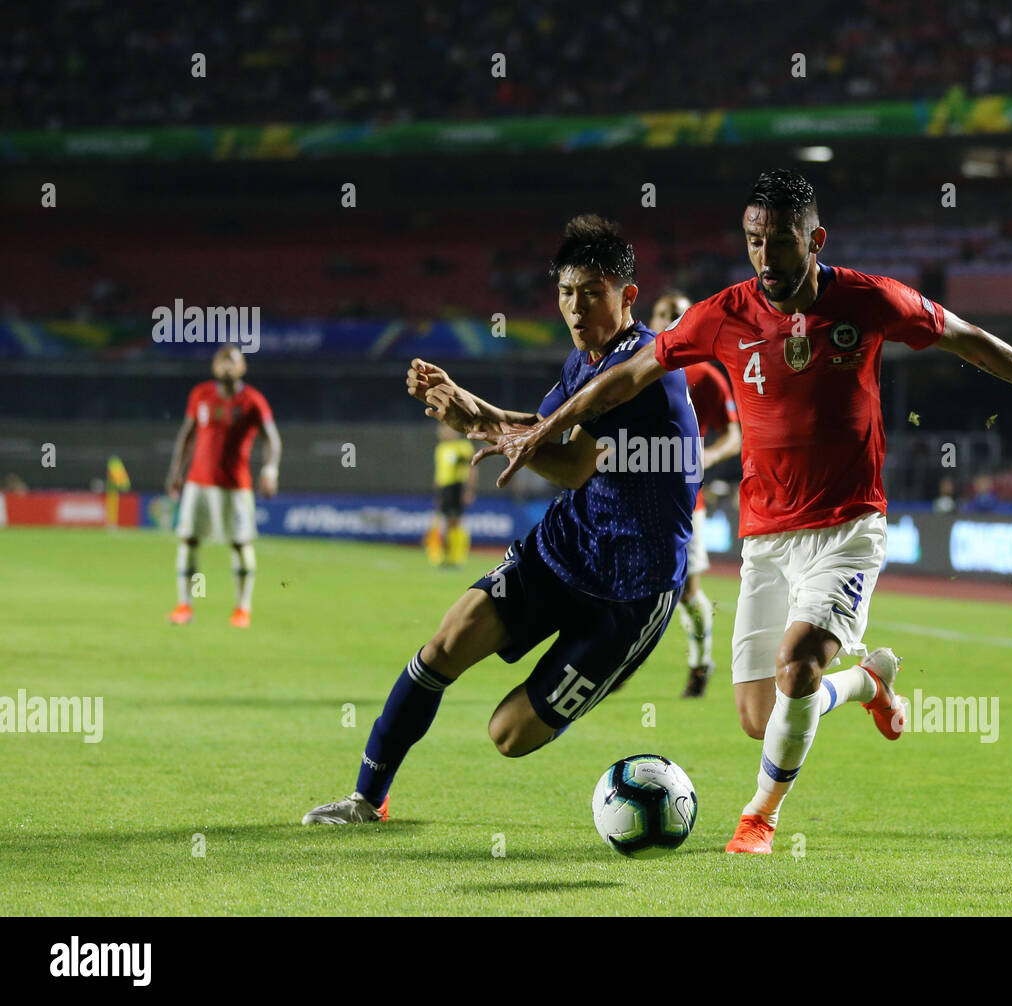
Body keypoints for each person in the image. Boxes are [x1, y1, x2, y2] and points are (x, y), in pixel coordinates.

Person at [477, 170, 1012, 854]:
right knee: (762, 716)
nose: (764, 257)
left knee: (796, 664)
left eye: (779, 242)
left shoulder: (868, 300)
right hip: (767, 537)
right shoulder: (724, 314)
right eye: (754, 241)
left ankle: (760, 815)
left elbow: (965, 337)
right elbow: (626, 378)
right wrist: (547, 428)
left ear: (814, 240)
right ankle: (868, 681)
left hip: (847, 529)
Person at [303, 215, 699, 825]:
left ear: (627, 296)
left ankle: (610, 701)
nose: (574, 307)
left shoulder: (644, 372)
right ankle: (365, 798)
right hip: (567, 550)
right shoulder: (584, 361)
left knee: (509, 733)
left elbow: (569, 466)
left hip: (632, 590)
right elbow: (535, 427)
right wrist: (473, 404)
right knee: (447, 641)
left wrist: (478, 425)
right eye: (566, 292)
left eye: (591, 292)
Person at [649, 290, 743, 698]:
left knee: (687, 591)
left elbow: (734, 435)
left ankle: (700, 662)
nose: (670, 318)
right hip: (631, 497)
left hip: (685, 500)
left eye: (678, 314)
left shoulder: (705, 375)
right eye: (662, 313)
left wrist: (708, 454)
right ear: (650, 319)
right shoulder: (634, 369)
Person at [165, 346, 280, 628]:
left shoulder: (252, 400)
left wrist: (270, 470)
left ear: (243, 368)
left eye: (234, 360)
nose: (227, 365)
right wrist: (175, 472)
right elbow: (187, 434)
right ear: (214, 367)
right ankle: (185, 605)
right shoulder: (200, 394)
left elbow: (272, 439)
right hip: (197, 484)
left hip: (234, 487)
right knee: (189, 540)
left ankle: (242, 608)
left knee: (240, 544)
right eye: (222, 360)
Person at [425, 424, 477, 567]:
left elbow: (471, 469)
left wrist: (469, 491)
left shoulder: (463, 446)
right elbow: (439, 472)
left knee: (456, 522)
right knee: (446, 522)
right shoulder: (440, 448)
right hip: (444, 488)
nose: (443, 432)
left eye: (446, 429)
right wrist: (438, 493)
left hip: (457, 486)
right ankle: (447, 557)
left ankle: (458, 557)